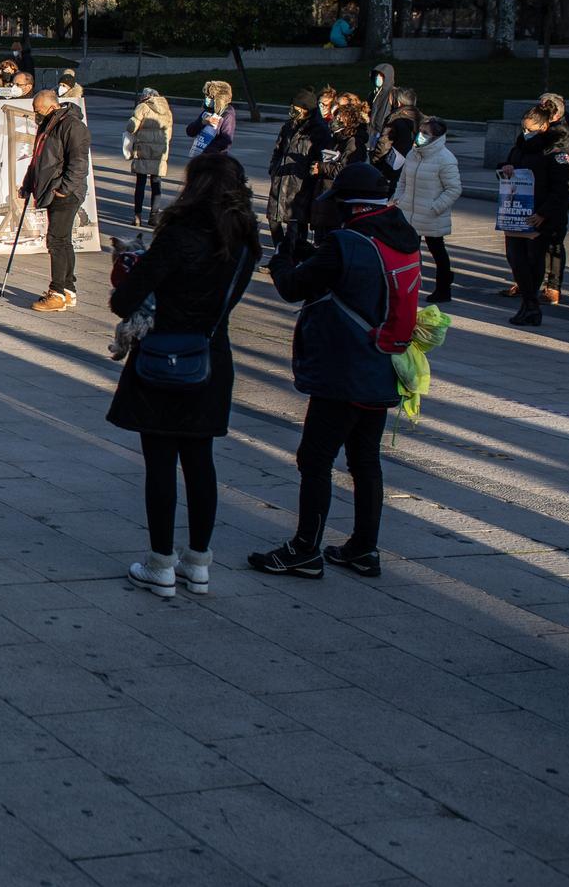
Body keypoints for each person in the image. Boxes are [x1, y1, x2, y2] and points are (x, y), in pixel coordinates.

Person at [251, 163, 417, 580]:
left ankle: (305, 549)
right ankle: (364, 549)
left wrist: (284, 255)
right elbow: (353, 280)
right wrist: (312, 256)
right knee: (365, 460)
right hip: (382, 363)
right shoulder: (401, 235)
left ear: (351, 205)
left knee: (315, 458)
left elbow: (292, 287)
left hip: (344, 369)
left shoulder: (346, 242)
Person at [107, 153, 260, 598]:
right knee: (200, 461)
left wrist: (133, 272)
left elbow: (124, 301)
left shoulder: (178, 235)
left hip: (162, 358)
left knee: (160, 463)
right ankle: (198, 563)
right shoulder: (245, 241)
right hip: (210, 358)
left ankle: (160, 565)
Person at [499, 103, 569, 329]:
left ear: (544, 126)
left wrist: (543, 214)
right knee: (515, 257)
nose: (526, 133)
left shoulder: (555, 152)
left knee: (533, 260)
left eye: (531, 129)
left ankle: (530, 306)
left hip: (539, 215)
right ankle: (529, 303)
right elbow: (505, 170)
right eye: (524, 128)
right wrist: (505, 169)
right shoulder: (519, 148)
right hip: (516, 214)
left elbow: (561, 189)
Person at [23, 89, 90, 313]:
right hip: (53, 188)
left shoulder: (72, 126)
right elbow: (38, 159)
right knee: (63, 240)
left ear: (52, 107)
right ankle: (68, 290)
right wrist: (27, 184)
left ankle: (57, 292)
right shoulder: (49, 124)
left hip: (65, 192)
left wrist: (64, 188)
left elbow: (79, 162)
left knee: (56, 240)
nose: (35, 114)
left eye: (38, 110)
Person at [394, 116, 461, 304]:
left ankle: (443, 288)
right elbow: (403, 181)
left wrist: (435, 207)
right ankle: (408, 286)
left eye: (425, 133)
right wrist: (398, 200)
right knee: (408, 251)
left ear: (436, 137)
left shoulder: (445, 158)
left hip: (431, 214)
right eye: (420, 132)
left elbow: (454, 189)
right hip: (409, 211)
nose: (420, 136)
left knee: (437, 250)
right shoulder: (413, 154)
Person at [267, 90, 322, 259]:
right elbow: (278, 149)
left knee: (295, 224)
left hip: (300, 184)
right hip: (280, 178)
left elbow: (320, 156)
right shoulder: (289, 125)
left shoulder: (318, 130)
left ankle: (292, 258)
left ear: (306, 108)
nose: (293, 109)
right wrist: (274, 168)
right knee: (273, 219)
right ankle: (281, 253)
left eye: (296, 106)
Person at [125, 87, 173, 227]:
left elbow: (131, 127)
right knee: (156, 183)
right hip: (159, 152)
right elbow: (168, 135)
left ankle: (137, 216)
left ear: (145, 96)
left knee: (140, 183)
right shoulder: (167, 110)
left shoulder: (143, 107)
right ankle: (154, 216)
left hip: (143, 150)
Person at [374, 86, 421, 182]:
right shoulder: (423, 119)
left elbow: (383, 145)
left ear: (398, 102)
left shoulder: (394, 118)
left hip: (394, 168)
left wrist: (376, 163)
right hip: (417, 168)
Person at [186, 80, 235, 158]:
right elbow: (190, 131)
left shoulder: (227, 114)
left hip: (215, 158)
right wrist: (202, 122)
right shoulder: (208, 111)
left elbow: (226, 140)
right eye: (206, 96)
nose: (207, 99)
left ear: (219, 98)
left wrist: (207, 151)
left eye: (210, 97)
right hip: (199, 157)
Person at [366, 62, 397, 141]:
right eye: (376, 75)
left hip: (384, 134)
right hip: (371, 132)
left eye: (381, 76)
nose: (377, 78)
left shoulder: (393, 93)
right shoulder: (372, 94)